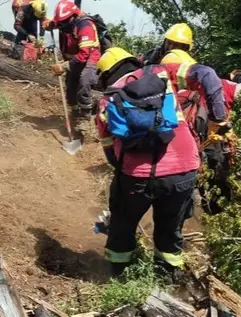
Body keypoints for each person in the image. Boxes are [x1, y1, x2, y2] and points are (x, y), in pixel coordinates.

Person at [95, 47, 227, 277]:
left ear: (106, 74)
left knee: (122, 224)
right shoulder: (161, 73)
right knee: (170, 227)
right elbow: (207, 74)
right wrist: (219, 118)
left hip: (136, 175)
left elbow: (110, 153)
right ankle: (167, 277)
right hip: (184, 169)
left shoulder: (106, 102)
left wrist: (126, 175)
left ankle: (120, 276)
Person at [201, 70, 241, 214]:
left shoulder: (170, 88)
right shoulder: (222, 84)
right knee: (218, 176)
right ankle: (218, 211)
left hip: (188, 142)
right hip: (215, 139)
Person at [48, 0, 102, 133]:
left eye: (64, 22)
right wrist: (50, 24)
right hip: (75, 57)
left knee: (84, 81)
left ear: (73, 17)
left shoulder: (85, 26)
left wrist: (64, 66)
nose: (62, 25)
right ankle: (75, 113)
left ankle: (85, 117)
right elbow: (57, 22)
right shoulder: (65, 22)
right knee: (70, 86)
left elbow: (84, 55)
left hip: (90, 57)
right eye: (60, 22)